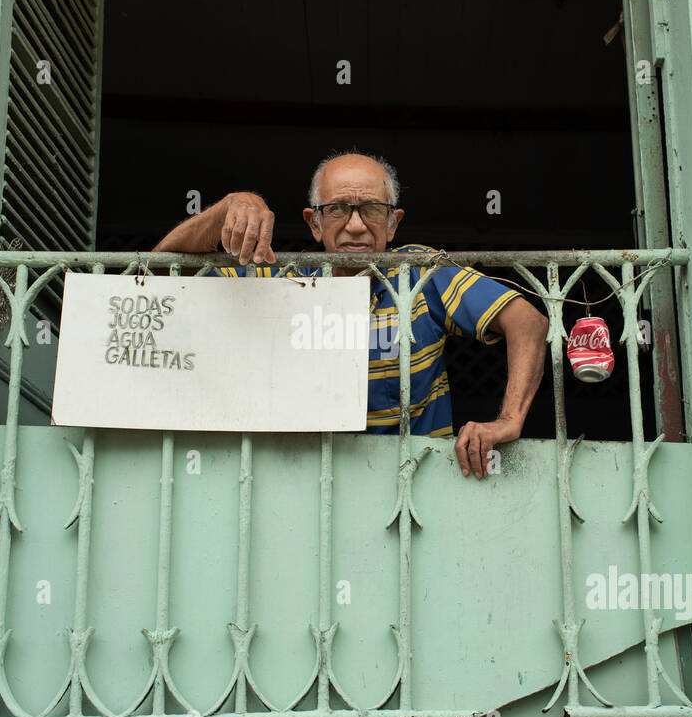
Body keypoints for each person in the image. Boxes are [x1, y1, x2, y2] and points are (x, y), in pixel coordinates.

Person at [152, 152, 548, 478]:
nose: (356, 226)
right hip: (304, 479)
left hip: (419, 481)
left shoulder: (422, 273)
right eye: (338, 209)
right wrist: (228, 208)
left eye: (372, 210)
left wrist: (509, 420)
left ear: (393, 224)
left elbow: (527, 321)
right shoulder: (281, 278)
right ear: (315, 223)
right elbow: (154, 275)